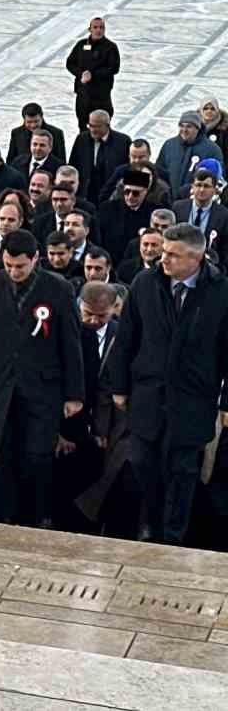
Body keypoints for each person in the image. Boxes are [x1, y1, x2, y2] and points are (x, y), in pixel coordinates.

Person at [111, 224, 228, 544]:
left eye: (172, 255)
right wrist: (119, 385)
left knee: (182, 471)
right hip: (148, 394)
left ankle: (174, 535)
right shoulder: (145, 283)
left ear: (197, 258)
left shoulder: (220, 291)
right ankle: (150, 522)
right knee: (141, 462)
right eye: (163, 252)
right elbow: (126, 339)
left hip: (193, 399)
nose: (163, 259)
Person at [0, 229, 85, 527]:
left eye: (20, 266)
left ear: (35, 260)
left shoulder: (58, 289)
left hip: (42, 385)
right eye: (9, 265)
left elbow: (70, 343)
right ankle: (3, 517)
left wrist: (74, 394)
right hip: (0, 383)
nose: (14, 271)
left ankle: (39, 516)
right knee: (0, 455)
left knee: (38, 457)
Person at [72, 281, 139, 537]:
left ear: (115, 308)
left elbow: (110, 388)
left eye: (101, 315)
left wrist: (102, 428)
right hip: (75, 424)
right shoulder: (70, 332)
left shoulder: (124, 338)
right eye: (88, 313)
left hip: (116, 428)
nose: (93, 321)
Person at [65, 17, 120, 130]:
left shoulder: (110, 47)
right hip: (83, 93)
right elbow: (70, 63)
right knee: (82, 124)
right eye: (95, 27)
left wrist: (93, 75)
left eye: (101, 27)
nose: (98, 30)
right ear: (90, 29)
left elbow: (113, 68)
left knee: (102, 126)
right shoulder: (81, 45)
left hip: (101, 95)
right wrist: (81, 74)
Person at [100, 169, 162, 258]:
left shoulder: (154, 212)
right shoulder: (107, 209)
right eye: (127, 192)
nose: (130, 196)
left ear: (145, 192)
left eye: (135, 193)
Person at [70, 110, 129, 201]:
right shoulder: (82, 139)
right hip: (86, 193)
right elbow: (73, 164)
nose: (93, 130)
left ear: (107, 125)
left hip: (111, 193)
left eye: (97, 126)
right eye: (90, 125)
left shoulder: (123, 142)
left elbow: (127, 168)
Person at [158, 110, 223, 193]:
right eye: (182, 126)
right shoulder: (169, 145)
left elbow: (217, 177)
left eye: (189, 126)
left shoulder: (212, 149)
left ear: (198, 128)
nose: (184, 130)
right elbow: (160, 171)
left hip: (196, 200)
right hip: (169, 199)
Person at [173, 167, 228, 247]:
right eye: (198, 185)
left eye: (206, 186)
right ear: (192, 187)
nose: (202, 190)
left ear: (214, 189)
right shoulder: (178, 208)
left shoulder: (223, 215)